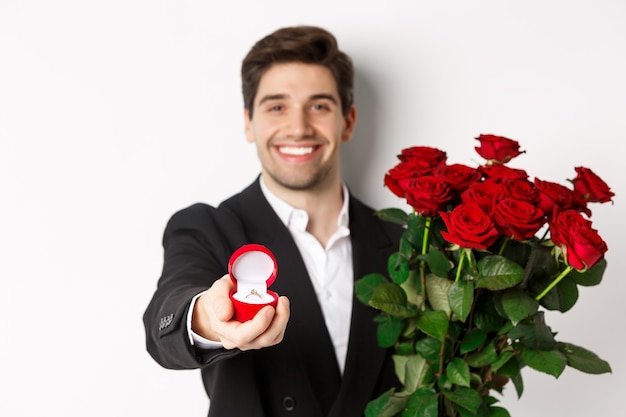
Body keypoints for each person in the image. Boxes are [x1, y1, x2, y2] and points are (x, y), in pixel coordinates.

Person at [143, 25, 403, 417]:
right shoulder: (206, 228)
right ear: (249, 122)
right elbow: (165, 320)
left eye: (319, 106)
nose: (298, 127)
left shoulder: (405, 242)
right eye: (276, 106)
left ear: (348, 121)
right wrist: (211, 320)